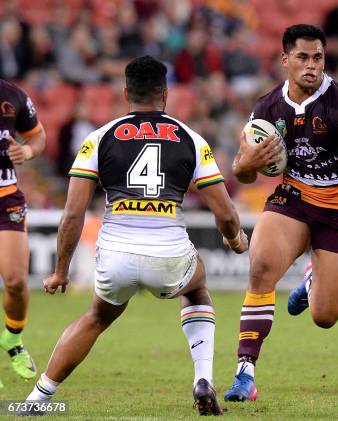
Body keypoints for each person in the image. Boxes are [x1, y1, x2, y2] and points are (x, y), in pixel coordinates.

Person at [22, 56, 248, 416]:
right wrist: (236, 240)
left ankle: (37, 400)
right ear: (166, 94)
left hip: (115, 255)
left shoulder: (98, 138)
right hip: (169, 256)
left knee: (97, 317)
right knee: (197, 286)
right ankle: (202, 379)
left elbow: (72, 215)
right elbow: (225, 213)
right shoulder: (192, 139)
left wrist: (61, 270)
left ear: (126, 92)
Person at [224, 24, 338, 402]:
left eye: (318, 58)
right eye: (303, 58)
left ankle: (313, 279)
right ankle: (245, 372)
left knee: (324, 317)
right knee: (261, 266)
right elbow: (244, 174)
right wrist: (244, 163)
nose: (312, 66)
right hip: (294, 197)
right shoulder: (266, 109)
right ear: (285, 61)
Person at [0, 78, 46, 386]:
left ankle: (12, 339)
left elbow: (39, 136)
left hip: (6, 198)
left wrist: (26, 153)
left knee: (15, 281)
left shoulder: (12, 95)